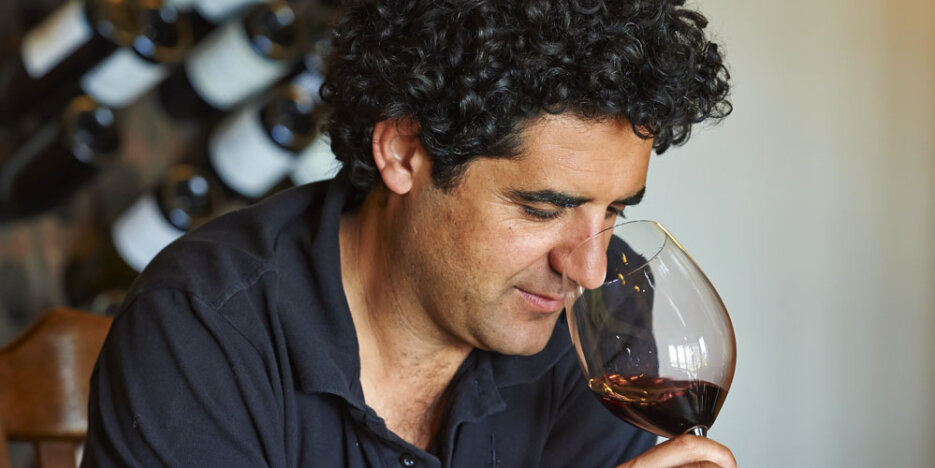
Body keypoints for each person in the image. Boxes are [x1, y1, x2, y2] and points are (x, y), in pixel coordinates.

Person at [81, 0, 734, 466]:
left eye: (614, 210)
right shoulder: (203, 324)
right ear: (402, 153)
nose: (589, 267)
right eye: (541, 209)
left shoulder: (602, 315)